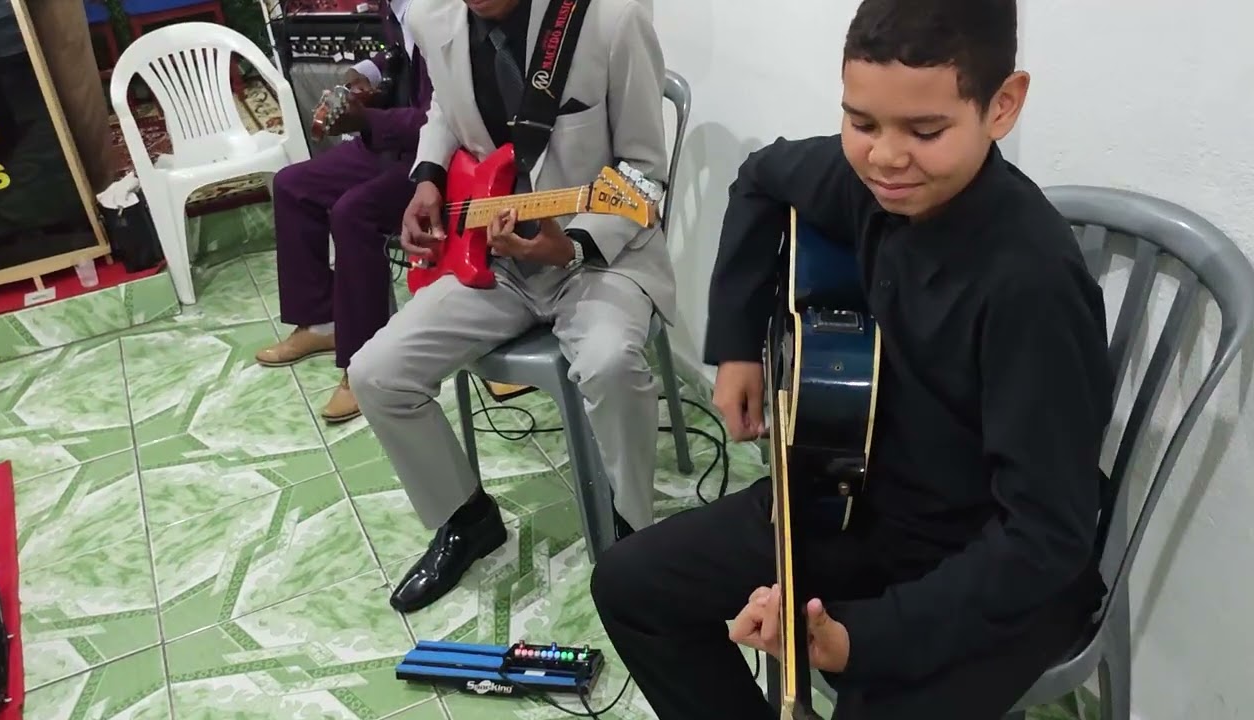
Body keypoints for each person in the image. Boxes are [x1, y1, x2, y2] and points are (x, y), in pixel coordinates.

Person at [590, 1, 1116, 718]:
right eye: (861, 122)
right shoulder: (868, 182)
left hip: (984, 561)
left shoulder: (1034, 285)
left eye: (925, 130)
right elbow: (762, 176)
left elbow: (1045, 537)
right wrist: (739, 343)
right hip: (852, 491)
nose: (886, 158)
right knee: (631, 585)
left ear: (1003, 105)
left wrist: (857, 639)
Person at [348, 0, 672, 613]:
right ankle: (466, 518)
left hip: (600, 252)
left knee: (609, 363)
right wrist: (427, 178)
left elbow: (645, 172)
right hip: (494, 257)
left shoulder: (612, 18)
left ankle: (637, 536)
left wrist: (571, 244)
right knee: (375, 373)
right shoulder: (434, 18)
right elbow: (447, 108)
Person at [256, 0, 433, 423]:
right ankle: (321, 322)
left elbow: (441, 118)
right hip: (394, 141)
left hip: (436, 155)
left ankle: (367, 361)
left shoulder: (447, 10)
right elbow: (399, 49)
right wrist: (366, 76)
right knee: (293, 185)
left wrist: (366, 120)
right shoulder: (398, 5)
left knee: (355, 212)